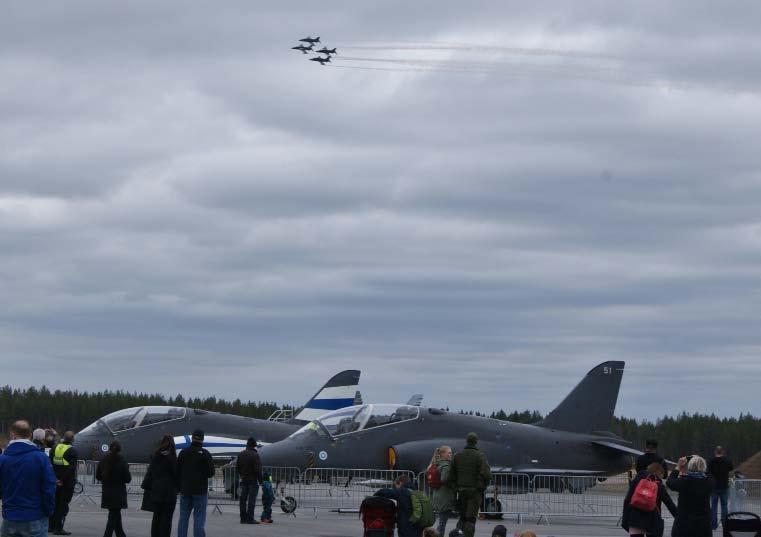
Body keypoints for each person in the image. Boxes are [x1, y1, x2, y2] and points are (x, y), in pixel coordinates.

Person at [0, 420, 57, 537]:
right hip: (34, 515)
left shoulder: (3, 459)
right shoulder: (40, 458)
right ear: (30, 435)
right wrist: (49, 510)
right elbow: (49, 487)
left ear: (12, 434)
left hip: (10, 516)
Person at [449, 433, 491, 537]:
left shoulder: (457, 455)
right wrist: (481, 486)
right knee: (470, 519)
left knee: (462, 517)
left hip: (461, 491)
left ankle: (457, 535)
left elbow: (451, 475)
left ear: (466, 441)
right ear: (476, 442)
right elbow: (486, 474)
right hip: (474, 492)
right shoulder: (480, 456)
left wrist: (456, 488)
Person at [176, 430, 215, 537]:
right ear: (202, 439)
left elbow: (177, 471)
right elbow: (211, 473)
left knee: (183, 518)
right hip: (200, 491)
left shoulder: (183, 452)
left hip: (185, 490)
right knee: (199, 519)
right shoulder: (205, 453)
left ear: (192, 438)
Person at [621, 462, 677, 537]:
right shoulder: (658, 485)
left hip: (634, 518)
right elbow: (669, 504)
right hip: (652, 520)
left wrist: (625, 518)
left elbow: (627, 500)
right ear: (659, 473)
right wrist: (679, 518)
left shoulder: (636, 480)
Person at [666, 455, 715, 537]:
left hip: (683, 525)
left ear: (689, 466)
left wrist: (678, 466)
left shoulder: (684, 481)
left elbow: (669, 482)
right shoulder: (709, 482)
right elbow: (710, 474)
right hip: (703, 526)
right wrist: (701, 462)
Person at [141, 435, 178, 537]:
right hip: (169, 493)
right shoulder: (172, 458)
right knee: (166, 520)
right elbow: (176, 475)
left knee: (156, 518)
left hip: (156, 492)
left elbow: (150, 474)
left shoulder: (155, 457)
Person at [96, 441, 131, 537]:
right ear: (120, 449)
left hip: (107, 491)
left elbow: (98, 476)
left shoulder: (103, 460)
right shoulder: (122, 461)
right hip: (118, 492)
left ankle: (121, 534)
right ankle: (107, 535)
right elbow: (128, 479)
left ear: (109, 448)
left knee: (115, 514)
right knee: (113, 516)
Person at [49, 430, 78, 536]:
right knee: (63, 505)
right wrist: (63, 480)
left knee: (55, 503)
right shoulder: (72, 450)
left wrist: (56, 478)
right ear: (72, 439)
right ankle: (59, 527)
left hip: (55, 480)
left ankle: (51, 526)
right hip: (66, 482)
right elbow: (71, 469)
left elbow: (50, 463)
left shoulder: (55, 447)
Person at [428, 445, 455, 537]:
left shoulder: (436, 463)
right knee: (442, 523)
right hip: (445, 496)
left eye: (451, 453)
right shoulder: (446, 465)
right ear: (443, 454)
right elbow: (444, 479)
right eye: (449, 453)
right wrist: (454, 484)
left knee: (441, 521)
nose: (451, 454)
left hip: (437, 495)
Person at [236, 437, 262, 524]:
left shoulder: (241, 454)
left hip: (244, 480)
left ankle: (243, 518)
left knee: (242, 500)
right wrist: (261, 481)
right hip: (253, 481)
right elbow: (258, 470)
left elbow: (238, 467)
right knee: (251, 500)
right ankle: (250, 518)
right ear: (254, 445)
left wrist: (242, 475)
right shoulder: (255, 455)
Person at [707, 445, 733, 530]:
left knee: (713, 507)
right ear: (723, 452)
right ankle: (725, 524)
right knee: (724, 506)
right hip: (724, 486)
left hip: (714, 487)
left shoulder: (711, 461)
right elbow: (731, 468)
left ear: (715, 452)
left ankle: (713, 525)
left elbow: (707, 471)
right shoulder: (727, 461)